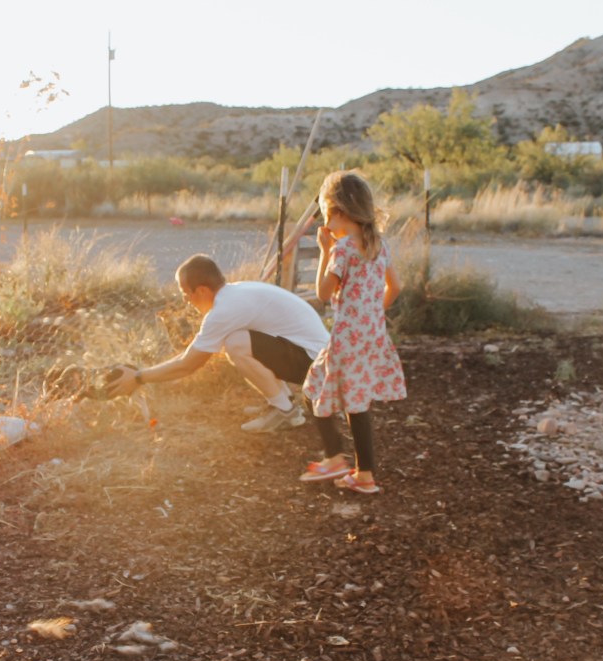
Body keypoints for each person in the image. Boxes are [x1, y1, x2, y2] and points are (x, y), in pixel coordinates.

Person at [107, 254, 329, 432]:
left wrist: (139, 377)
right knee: (237, 339)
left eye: (186, 294)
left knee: (236, 343)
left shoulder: (224, 310)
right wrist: (141, 375)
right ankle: (282, 402)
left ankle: (285, 412)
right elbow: (189, 356)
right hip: (320, 358)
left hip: (317, 366)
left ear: (202, 290)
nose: (186, 301)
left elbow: (188, 364)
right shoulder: (236, 293)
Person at [300, 170, 406, 494]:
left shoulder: (343, 249)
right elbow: (395, 287)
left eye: (326, 213)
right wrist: (372, 312)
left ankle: (339, 460)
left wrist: (324, 250)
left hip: (347, 340)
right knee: (356, 401)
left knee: (312, 391)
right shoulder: (379, 244)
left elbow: (322, 293)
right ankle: (361, 473)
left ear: (340, 212)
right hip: (372, 336)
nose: (325, 223)